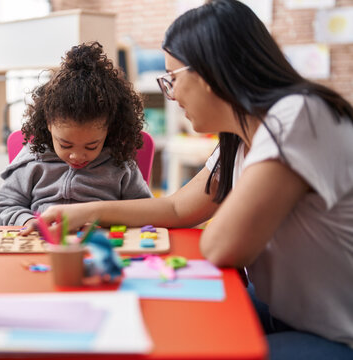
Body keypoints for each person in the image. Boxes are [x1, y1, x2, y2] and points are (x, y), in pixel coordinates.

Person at [39, 1, 353, 358]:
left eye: (172, 78)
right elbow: (177, 207)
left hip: (334, 332)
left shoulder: (298, 117)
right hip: (286, 312)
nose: (170, 94)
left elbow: (223, 247)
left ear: (207, 74)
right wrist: (83, 213)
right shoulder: (239, 136)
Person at [0, 41, 152, 227]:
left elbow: (144, 212)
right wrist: (28, 221)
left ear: (109, 130)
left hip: (99, 248)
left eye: (91, 146)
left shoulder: (120, 166)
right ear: (49, 124)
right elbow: (5, 209)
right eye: (65, 145)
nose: (77, 156)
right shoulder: (31, 162)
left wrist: (106, 224)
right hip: (42, 247)